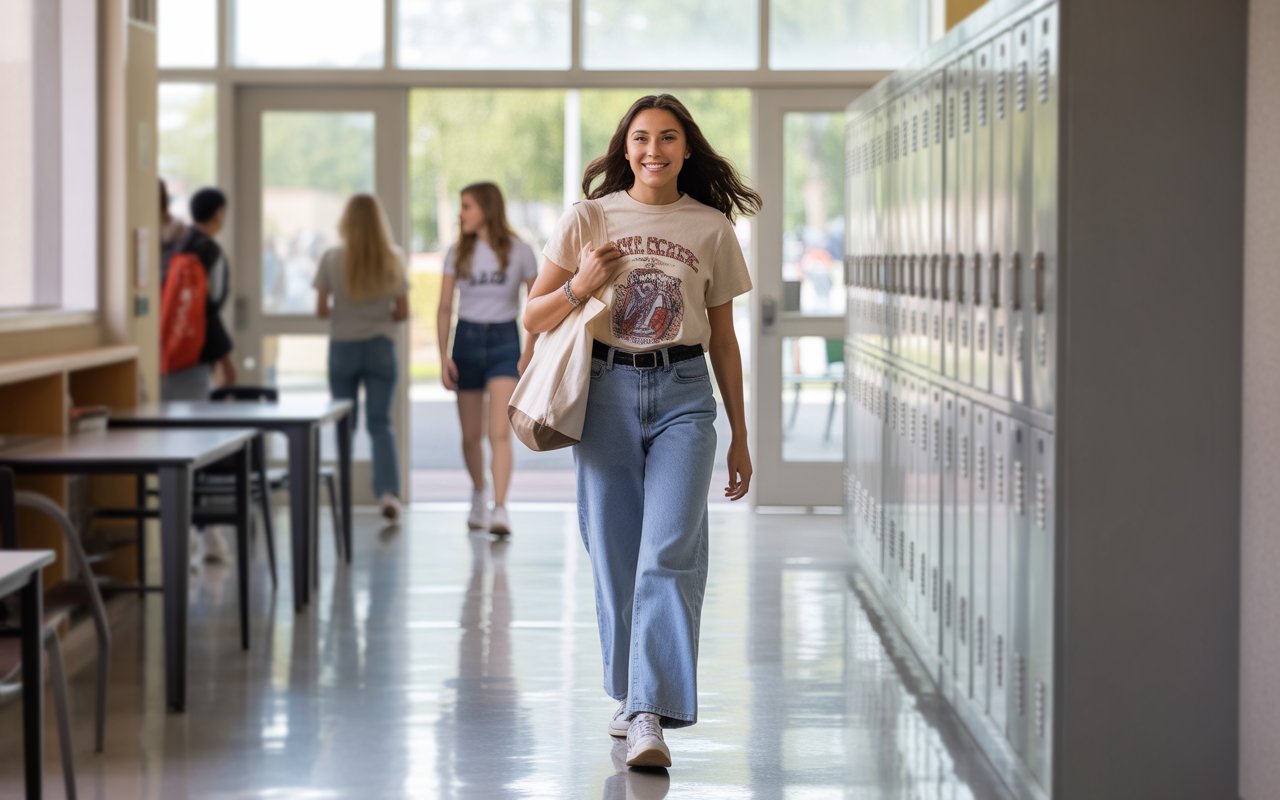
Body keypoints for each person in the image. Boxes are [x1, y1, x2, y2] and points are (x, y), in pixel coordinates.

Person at [524, 94, 758, 769]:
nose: (653, 150)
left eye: (667, 138)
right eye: (641, 138)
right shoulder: (588, 218)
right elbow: (534, 316)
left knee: (668, 551)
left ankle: (647, 711)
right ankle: (632, 697)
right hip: (604, 394)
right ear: (624, 148)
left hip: (685, 394)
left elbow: (725, 340)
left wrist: (741, 434)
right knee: (618, 554)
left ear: (687, 148)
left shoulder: (712, 226)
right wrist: (581, 285)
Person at [436, 182, 540, 536]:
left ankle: (500, 507)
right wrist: (442, 356)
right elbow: (445, 306)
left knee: (498, 431)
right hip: (465, 340)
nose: (460, 214)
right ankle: (479, 493)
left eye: (466, 206)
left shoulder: (520, 250)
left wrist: (530, 351)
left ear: (486, 208)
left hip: (503, 341)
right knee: (470, 435)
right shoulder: (456, 253)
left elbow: (537, 305)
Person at [314, 194, 410, 520]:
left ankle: (340, 492)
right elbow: (401, 312)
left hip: (343, 347)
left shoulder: (331, 257)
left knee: (345, 424)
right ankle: (387, 494)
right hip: (380, 347)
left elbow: (321, 309)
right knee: (380, 424)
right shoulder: (392, 257)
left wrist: (346, 310)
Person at [160, 186, 236, 401]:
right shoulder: (211, 252)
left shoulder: (177, 245)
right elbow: (209, 306)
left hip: (168, 344)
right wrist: (223, 356)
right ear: (219, 214)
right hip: (195, 349)